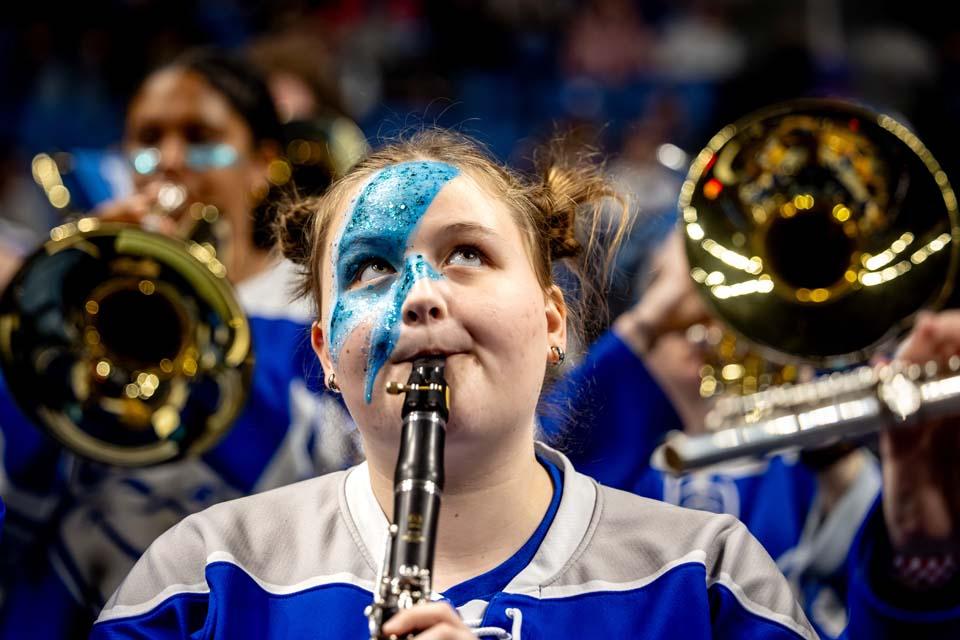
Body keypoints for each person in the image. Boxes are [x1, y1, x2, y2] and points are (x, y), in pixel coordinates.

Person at [92, 129, 817, 638]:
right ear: (322, 353)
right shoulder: (201, 579)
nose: (419, 296)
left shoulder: (710, 575)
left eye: (466, 253)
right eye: (369, 268)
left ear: (552, 317)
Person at [0, 49, 358, 637]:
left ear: (261, 162)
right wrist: (59, 304)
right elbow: (16, 503)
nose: (168, 161)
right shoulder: (80, 294)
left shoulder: (317, 314)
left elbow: (329, 495)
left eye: (202, 140)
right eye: (146, 141)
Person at [543, 228, 960, 638]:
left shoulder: (808, 456)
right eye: (687, 293)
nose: (704, 317)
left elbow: (879, 576)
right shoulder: (608, 453)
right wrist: (648, 321)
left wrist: (831, 452)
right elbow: (545, 456)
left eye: (729, 296)